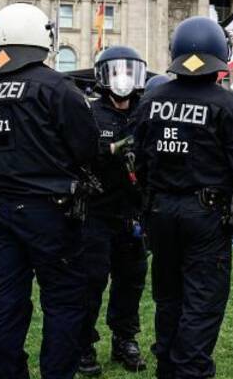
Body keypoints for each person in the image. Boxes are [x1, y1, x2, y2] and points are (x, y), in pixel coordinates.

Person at [132, 16, 233, 379]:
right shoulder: (226, 105)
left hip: (161, 210)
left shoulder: (152, 99)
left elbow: (140, 158)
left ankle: (168, 364)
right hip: (205, 216)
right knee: (203, 300)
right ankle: (191, 369)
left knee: (168, 297)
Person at [0, 3, 100, 379]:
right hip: (50, 211)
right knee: (63, 303)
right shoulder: (57, 87)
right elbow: (86, 147)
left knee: (5, 304)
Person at [77, 46, 149, 376]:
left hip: (133, 212)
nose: (123, 79)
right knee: (91, 280)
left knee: (131, 280)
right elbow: (77, 151)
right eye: (116, 72)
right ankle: (83, 343)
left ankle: (125, 339)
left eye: (128, 71)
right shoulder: (89, 113)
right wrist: (110, 150)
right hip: (97, 211)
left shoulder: (146, 112)